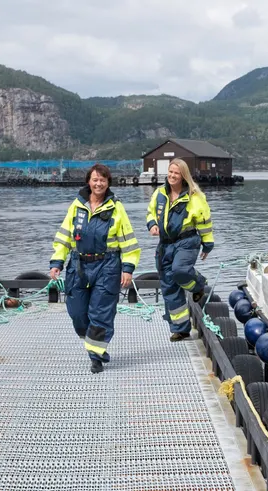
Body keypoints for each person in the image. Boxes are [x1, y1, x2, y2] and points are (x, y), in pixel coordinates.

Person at [49, 163, 141, 373]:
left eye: (102, 180)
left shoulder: (116, 208)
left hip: (107, 265)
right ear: (88, 182)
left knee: (101, 313)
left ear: (108, 183)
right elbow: (63, 236)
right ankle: (96, 346)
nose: (98, 183)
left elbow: (128, 242)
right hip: (78, 265)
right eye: (95, 179)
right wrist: (57, 263)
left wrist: (128, 268)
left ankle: (95, 357)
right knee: (77, 314)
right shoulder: (76, 205)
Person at [146, 158, 215, 341]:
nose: (172, 176)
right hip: (165, 244)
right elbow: (150, 212)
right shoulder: (159, 193)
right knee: (169, 286)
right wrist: (152, 225)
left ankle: (198, 283)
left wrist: (207, 244)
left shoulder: (194, 196)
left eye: (176, 173)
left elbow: (205, 222)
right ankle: (180, 328)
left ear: (183, 175)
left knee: (180, 270)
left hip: (187, 241)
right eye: (170, 172)